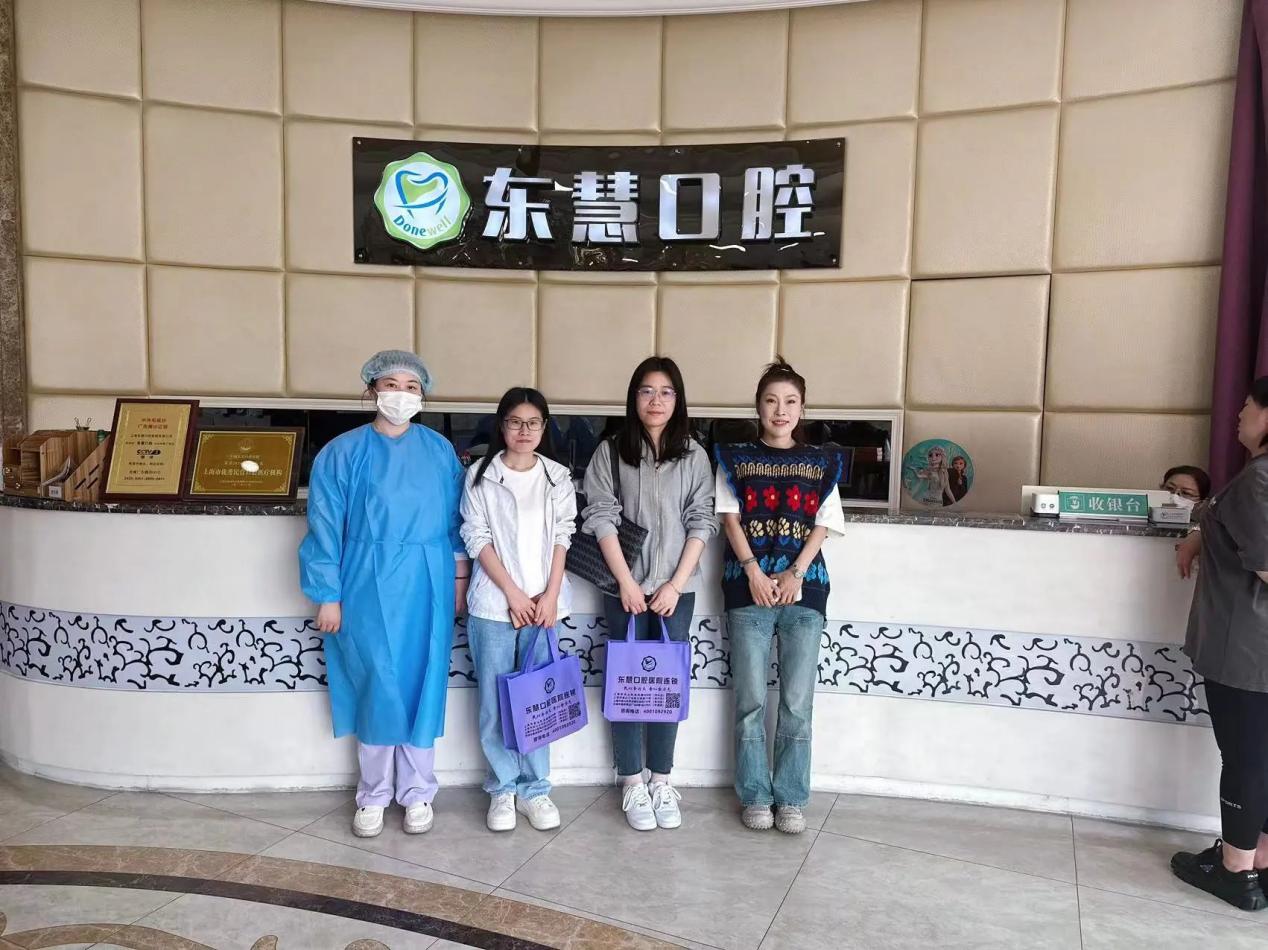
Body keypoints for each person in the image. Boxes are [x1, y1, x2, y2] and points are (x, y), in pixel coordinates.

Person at [299, 350, 468, 839]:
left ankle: (418, 793)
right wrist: (327, 594)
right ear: (372, 389)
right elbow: (324, 527)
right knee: (376, 682)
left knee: (422, 682)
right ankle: (372, 794)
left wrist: (459, 581)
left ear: (423, 396)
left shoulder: (439, 451)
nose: (401, 394)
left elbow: (456, 523)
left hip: (428, 579)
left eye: (412, 387)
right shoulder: (342, 453)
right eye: (391, 384)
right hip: (364, 579)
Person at [581, 356, 717, 832]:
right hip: (624, 588)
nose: (655, 400)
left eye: (665, 392)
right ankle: (631, 780)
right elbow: (600, 516)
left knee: (666, 685)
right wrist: (625, 583)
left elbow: (702, 520)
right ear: (633, 397)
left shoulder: (694, 455)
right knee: (627, 684)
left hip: (676, 591)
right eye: (646, 390)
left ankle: (661, 779)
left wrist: (675, 585)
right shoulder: (610, 451)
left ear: (678, 400)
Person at [715, 357, 845, 835]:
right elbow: (729, 518)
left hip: (804, 593)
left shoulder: (822, 462)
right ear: (758, 406)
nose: (780, 410)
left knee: (796, 703)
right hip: (746, 588)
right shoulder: (733, 458)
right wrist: (753, 571)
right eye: (771, 400)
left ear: (802, 409)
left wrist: (795, 573)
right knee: (750, 702)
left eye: (790, 401)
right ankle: (755, 795)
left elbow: (824, 524)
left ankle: (791, 798)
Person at [1170, 377, 1268, 911]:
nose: (1239, 414)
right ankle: (1261, 861)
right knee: (1262, 758)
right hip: (1253, 646)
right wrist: (1198, 534)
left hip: (1246, 647)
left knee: (1246, 759)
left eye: (1248, 405)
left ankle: (1235, 872)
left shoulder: (1260, 480)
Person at [460, 387, 576, 833]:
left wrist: (549, 595)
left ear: (544, 428)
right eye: (514, 422)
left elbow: (564, 535)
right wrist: (512, 593)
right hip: (495, 604)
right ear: (501, 425)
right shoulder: (479, 476)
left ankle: (535, 789)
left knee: (538, 699)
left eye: (533, 423)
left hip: (543, 606)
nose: (524, 431)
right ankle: (502, 788)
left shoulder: (557, 477)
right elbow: (476, 536)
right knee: (495, 702)